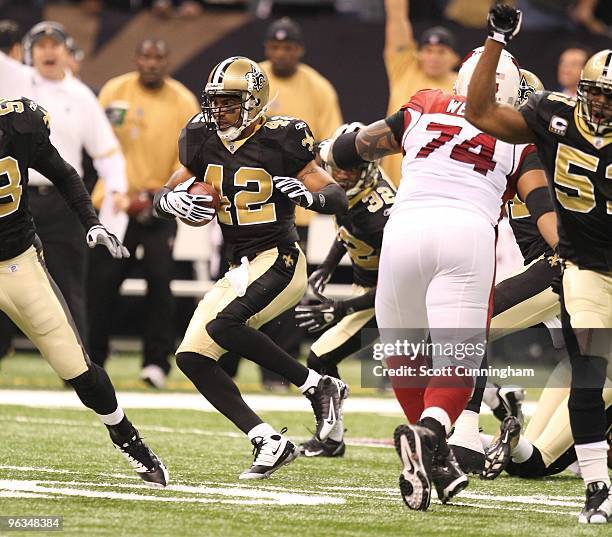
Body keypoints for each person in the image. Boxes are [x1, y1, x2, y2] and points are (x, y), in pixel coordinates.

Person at [320, 45, 558, 511]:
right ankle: (429, 433)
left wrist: (329, 149)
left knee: (404, 352)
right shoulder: (519, 139)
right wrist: (573, 252)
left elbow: (351, 148)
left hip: (402, 233)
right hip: (464, 234)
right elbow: (544, 212)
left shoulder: (425, 103)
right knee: (460, 357)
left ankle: (437, 459)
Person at [153, 56, 350, 480]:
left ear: (254, 101)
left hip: (280, 258)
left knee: (223, 327)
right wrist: (171, 202)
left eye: (229, 102)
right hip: (239, 266)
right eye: (215, 102)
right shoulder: (200, 136)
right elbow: (163, 192)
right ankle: (267, 439)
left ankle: (317, 385)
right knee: (191, 356)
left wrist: (308, 197)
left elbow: (337, 199)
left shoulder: (284, 137)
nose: (218, 111)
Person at [464, 3, 612, 524]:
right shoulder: (553, 116)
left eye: (608, 98)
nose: (599, 105)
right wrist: (496, 40)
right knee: (590, 375)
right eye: (594, 93)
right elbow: (480, 112)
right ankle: (597, 486)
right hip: (588, 269)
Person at [0, 96, 167, 487]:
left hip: (17, 262)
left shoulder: (18, 124)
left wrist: (91, 223)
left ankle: (128, 439)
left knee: (75, 366)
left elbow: (64, 175)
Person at [448, 69, 562, 473]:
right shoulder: (503, 151)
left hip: (571, 268)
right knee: (533, 464)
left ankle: (463, 436)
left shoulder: (547, 151)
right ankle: (482, 438)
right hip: (557, 275)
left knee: (467, 325)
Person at [0, 21, 128, 349]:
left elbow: (107, 152)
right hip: (13, 197)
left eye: (54, 45)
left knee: (68, 285)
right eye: (40, 45)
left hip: (61, 198)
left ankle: (80, 370)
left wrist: (116, 189)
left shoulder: (81, 96)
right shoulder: (15, 77)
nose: (47, 51)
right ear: (28, 52)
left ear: (67, 52)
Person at [88, 38, 200, 389]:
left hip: (160, 207)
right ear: (136, 57)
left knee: (160, 285)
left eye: (159, 57)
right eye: (146, 55)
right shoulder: (113, 91)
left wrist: (156, 195)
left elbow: (189, 156)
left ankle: (156, 363)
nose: (152, 62)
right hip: (114, 205)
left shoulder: (183, 100)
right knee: (101, 286)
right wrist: (119, 192)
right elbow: (97, 143)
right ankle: (91, 362)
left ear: (167, 61)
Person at [295, 122, 396, 458]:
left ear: (368, 168)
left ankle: (332, 439)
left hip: (392, 296)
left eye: (350, 169)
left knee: (320, 356)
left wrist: (342, 308)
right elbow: (346, 232)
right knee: (429, 368)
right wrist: (326, 265)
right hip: (374, 291)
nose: (341, 175)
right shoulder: (358, 200)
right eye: (336, 167)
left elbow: (397, 282)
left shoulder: (378, 216)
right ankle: (499, 397)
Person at [482, 360, 612, 480]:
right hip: (600, 382)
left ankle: (474, 441)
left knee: (520, 458)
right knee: (537, 464)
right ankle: (508, 435)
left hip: (571, 366)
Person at [381, 0, 459, 186]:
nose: (434, 57)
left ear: (455, 58)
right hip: (395, 182)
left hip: (440, 180)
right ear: (419, 53)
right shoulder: (405, 69)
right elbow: (397, 18)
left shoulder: (462, 85)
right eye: (428, 50)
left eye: (441, 52)